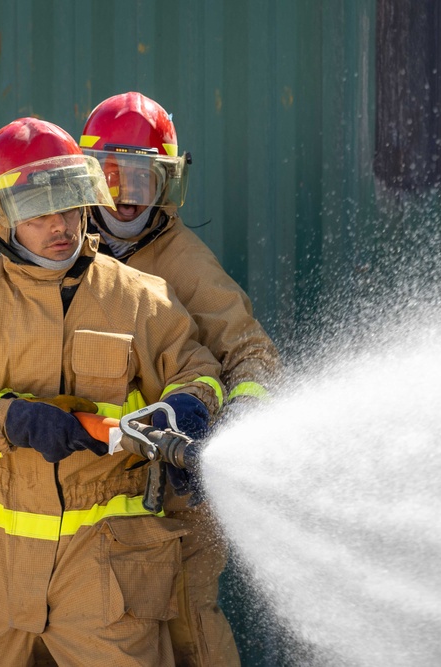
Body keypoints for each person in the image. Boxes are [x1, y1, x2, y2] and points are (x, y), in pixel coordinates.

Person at [0, 117, 224, 666]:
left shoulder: (142, 298)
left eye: (70, 205)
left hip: (106, 570)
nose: (61, 226)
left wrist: (188, 405)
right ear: (0, 219)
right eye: (38, 212)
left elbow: (199, 370)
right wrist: (12, 420)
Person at [79, 91, 282, 667]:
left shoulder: (184, 261)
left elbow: (248, 351)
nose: (124, 197)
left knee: (190, 625)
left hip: (175, 490)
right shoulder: (66, 248)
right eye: (112, 176)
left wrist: (236, 424)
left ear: (166, 183)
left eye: (142, 179)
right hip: (94, 484)